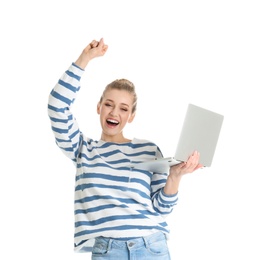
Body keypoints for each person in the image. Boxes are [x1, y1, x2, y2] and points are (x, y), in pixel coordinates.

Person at [47, 38, 203, 260]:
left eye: (123, 108)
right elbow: (56, 106)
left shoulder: (148, 150)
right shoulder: (82, 148)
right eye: (109, 104)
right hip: (108, 252)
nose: (114, 113)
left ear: (131, 116)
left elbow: (161, 209)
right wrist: (85, 59)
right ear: (99, 107)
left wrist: (175, 176)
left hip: (152, 247)